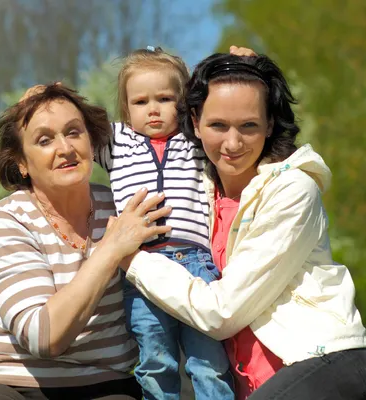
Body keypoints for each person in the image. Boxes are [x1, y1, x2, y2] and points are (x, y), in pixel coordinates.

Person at [112, 52, 366, 399]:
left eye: (249, 125)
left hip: (323, 363)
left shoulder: (292, 190)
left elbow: (221, 314)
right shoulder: (202, 193)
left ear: (270, 124)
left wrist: (130, 259)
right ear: (194, 123)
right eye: (218, 125)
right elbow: (156, 83)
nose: (232, 143)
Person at [0, 83, 172, 400]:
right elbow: (43, 337)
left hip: (104, 385)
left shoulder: (124, 208)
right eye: (44, 140)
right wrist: (111, 249)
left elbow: (182, 147)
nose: (65, 148)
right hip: (9, 385)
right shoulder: (8, 219)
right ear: (21, 162)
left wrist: (243, 76)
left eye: (74, 132)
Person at [94, 46, 233, 400]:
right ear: (126, 109)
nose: (153, 109)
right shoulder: (117, 141)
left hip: (196, 266)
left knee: (209, 360)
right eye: (140, 102)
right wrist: (45, 99)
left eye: (165, 98)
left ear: (185, 105)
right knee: (156, 361)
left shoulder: (197, 140)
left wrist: (241, 66)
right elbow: (73, 128)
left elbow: (231, 106)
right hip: (142, 267)